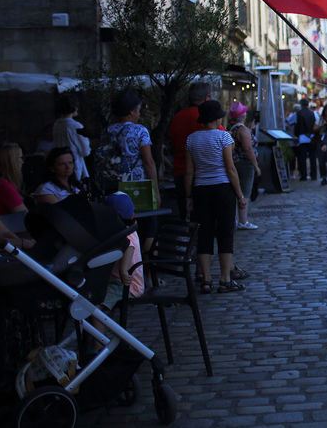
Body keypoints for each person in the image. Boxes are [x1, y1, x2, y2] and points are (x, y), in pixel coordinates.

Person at [185, 100, 248, 295]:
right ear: (217, 118)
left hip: (201, 189)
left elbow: (189, 171)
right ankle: (225, 279)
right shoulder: (224, 137)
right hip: (222, 189)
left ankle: (206, 280)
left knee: (204, 234)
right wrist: (239, 194)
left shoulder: (192, 139)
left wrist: (188, 195)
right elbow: (230, 168)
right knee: (225, 233)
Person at [102, 89, 159, 251]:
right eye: (138, 109)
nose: (139, 113)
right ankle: (145, 268)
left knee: (123, 228)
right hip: (139, 188)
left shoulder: (108, 131)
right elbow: (148, 162)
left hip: (115, 187)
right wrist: (155, 190)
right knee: (148, 227)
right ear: (132, 111)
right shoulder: (140, 130)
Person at [169, 82, 212, 220]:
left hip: (179, 171)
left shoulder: (177, 118)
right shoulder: (206, 119)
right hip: (202, 173)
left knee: (185, 213)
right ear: (207, 98)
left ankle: (186, 239)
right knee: (203, 216)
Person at [227, 101, 261, 230]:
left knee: (237, 191)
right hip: (245, 164)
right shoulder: (242, 130)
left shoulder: (231, 128)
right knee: (244, 192)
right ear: (243, 116)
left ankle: (237, 220)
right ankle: (243, 220)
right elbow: (247, 148)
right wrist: (256, 165)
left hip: (235, 162)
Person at [0, 143, 35, 250]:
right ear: (12, 162)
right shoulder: (3, 185)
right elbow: (27, 219)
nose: (22, 162)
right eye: (20, 158)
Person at [52, 94, 91, 183]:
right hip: (73, 164)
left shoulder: (57, 125)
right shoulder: (75, 126)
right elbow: (85, 151)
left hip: (59, 162)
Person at [293, 98, 317, 181]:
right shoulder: (311, 113)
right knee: (312, 157)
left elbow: (298, 126)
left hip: (303, 137)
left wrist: (296, 135)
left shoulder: (299, 113)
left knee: (302, 158)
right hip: (311, 137)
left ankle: (303, 175)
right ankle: (313, 175)